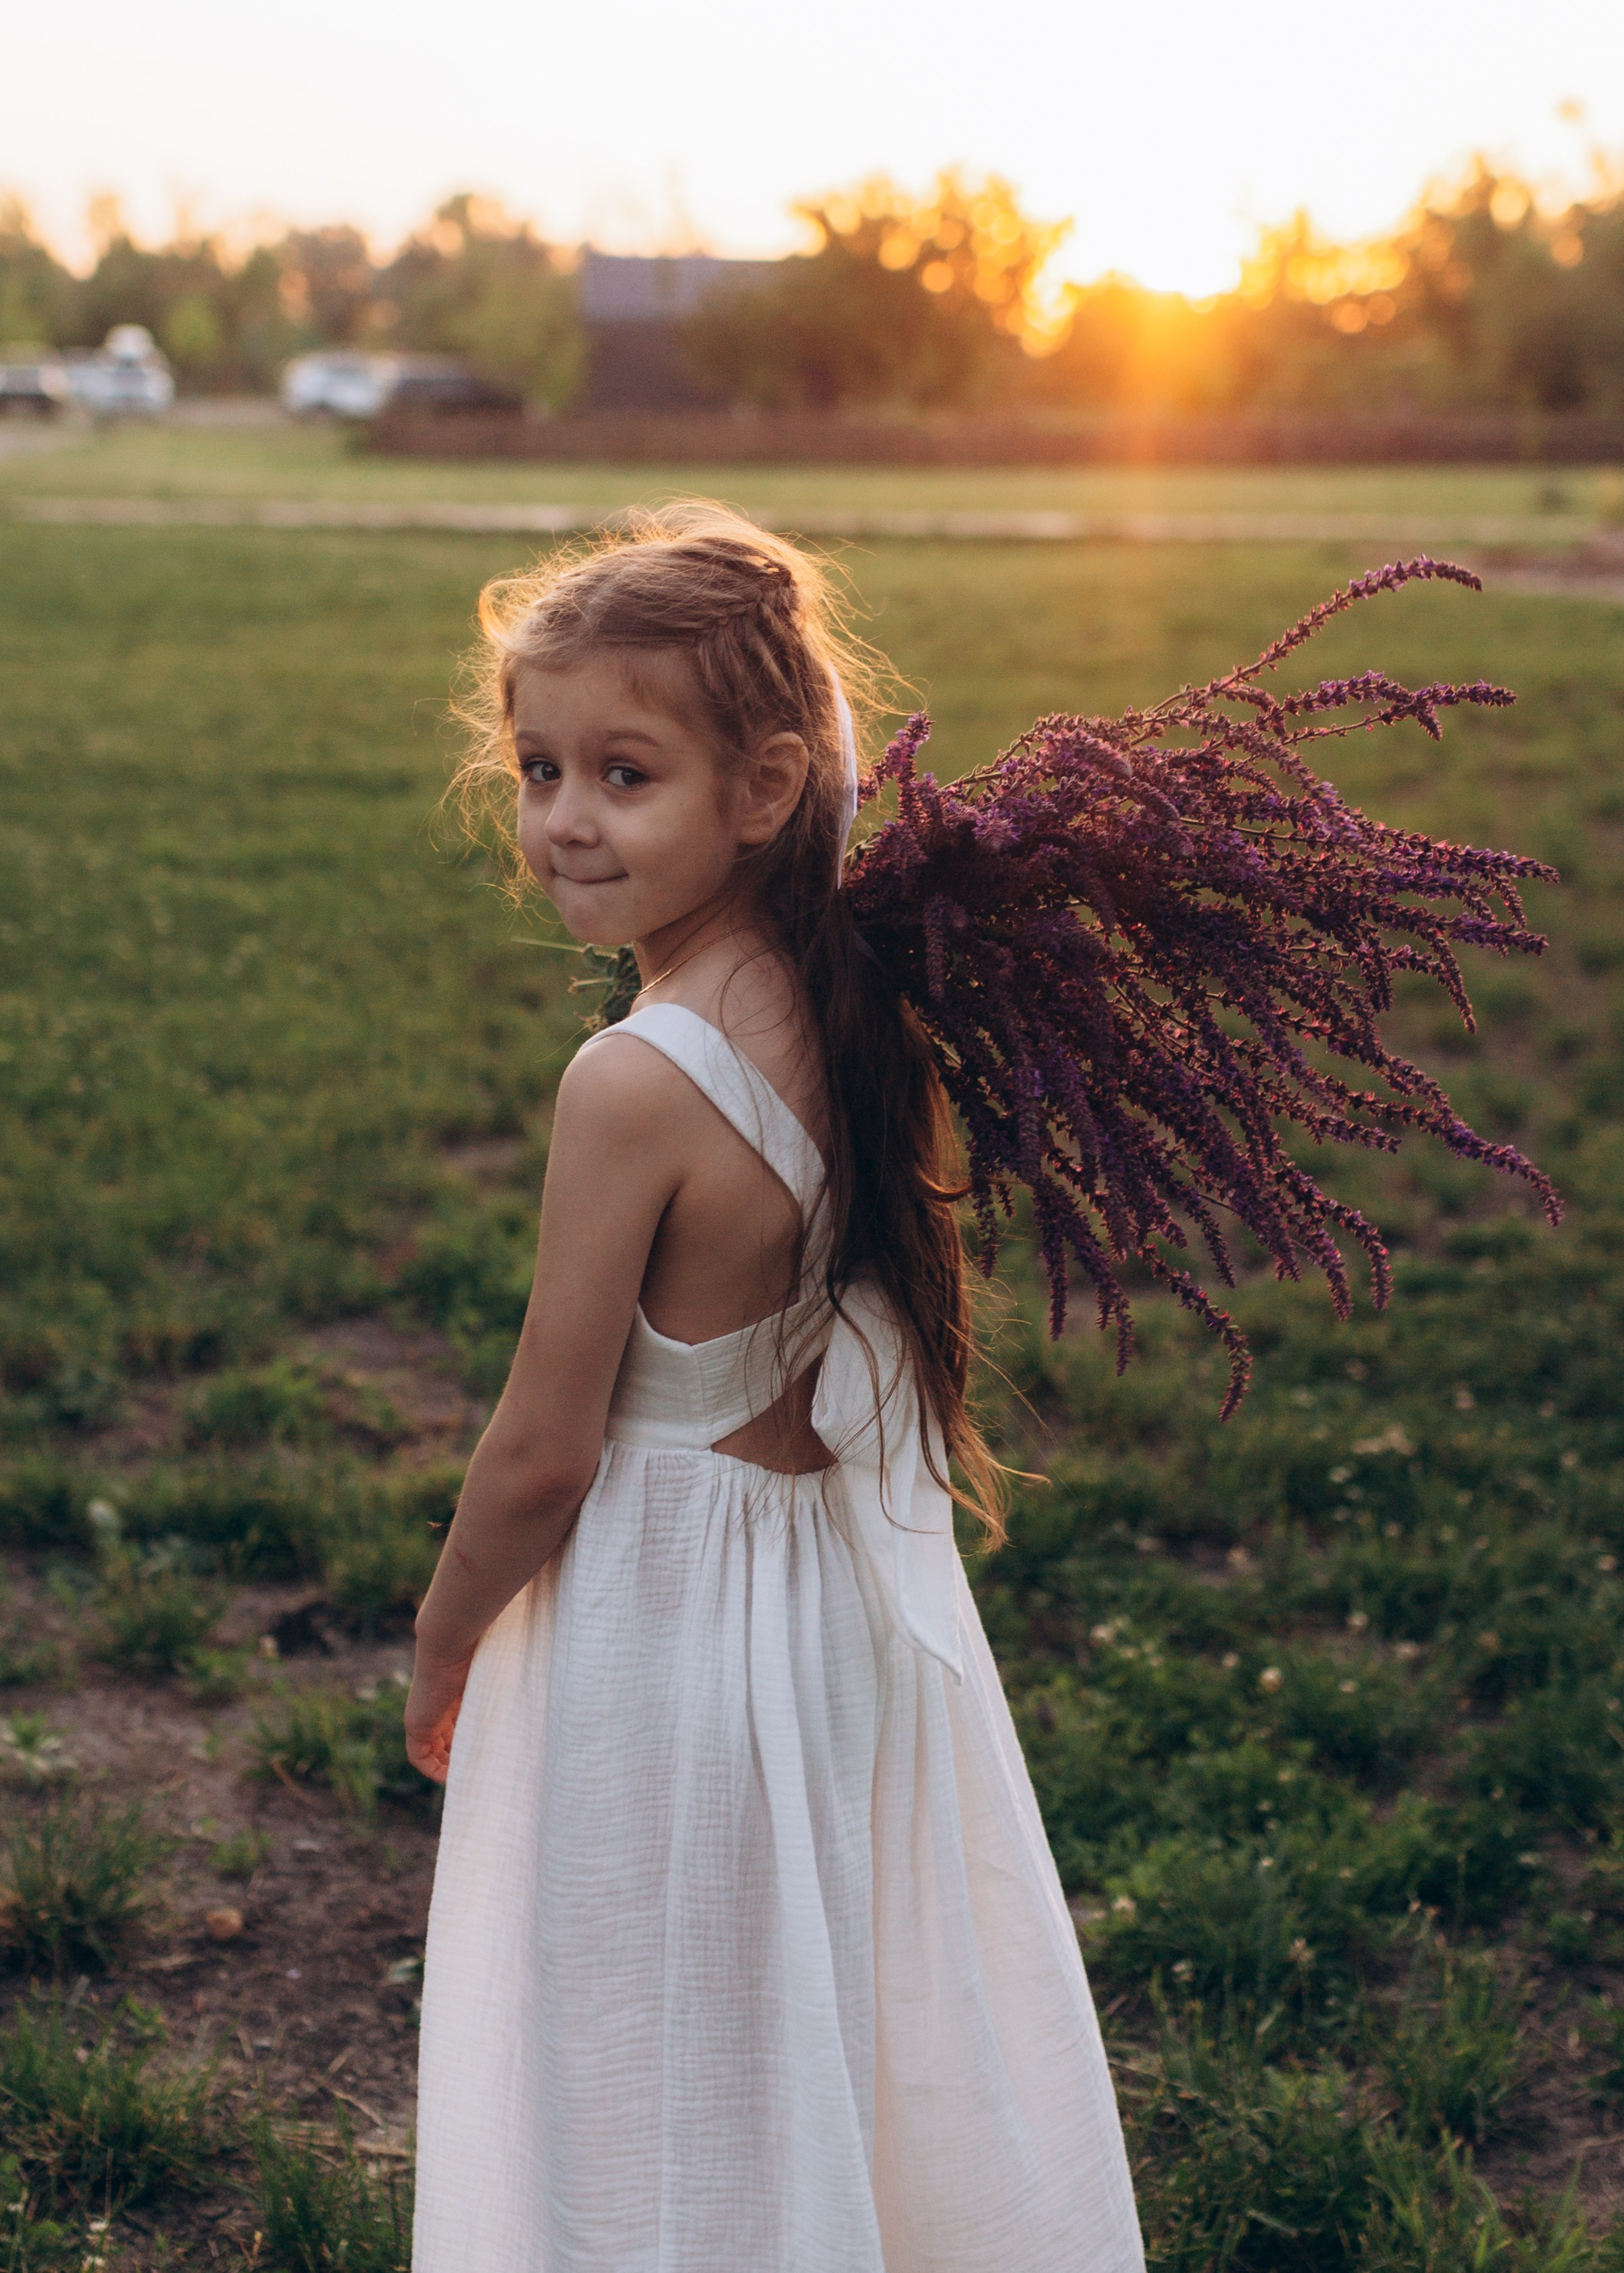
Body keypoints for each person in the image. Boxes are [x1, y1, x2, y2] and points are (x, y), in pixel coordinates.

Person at [407, 504, 1146, 2271]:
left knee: (652, 2053)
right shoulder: (849, 1000)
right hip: (808, 1610)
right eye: (538, 766)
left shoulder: (634, 1081)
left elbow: (540, 1448)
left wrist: (442, 1641)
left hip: (658, 1628)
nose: (565, 816)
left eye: (624, 773)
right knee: (801, 2021)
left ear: (762, 787)